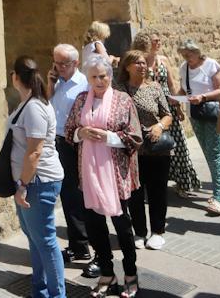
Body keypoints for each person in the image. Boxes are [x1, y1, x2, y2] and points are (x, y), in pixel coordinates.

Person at [66, 54, 142, 298]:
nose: (100, 81)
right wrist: (81, 132)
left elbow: (135, 137)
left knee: (122, 226)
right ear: (87, 78)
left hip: (116, 175)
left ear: (110, 75)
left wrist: (108, 137)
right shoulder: (80, 100)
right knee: (95, 226)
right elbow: (69, 133)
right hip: (88, 173)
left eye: (104, 76)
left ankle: (130, 273)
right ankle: (107, 273)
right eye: (94, 77)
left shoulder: (123, 100)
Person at [1, 56, 65, 298]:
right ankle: (40, 291)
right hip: (30, 182)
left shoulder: (36, 107)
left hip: (37, 182)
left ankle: (57, 295)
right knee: (36, 240)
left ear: (16, 77)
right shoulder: (28, 103)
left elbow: (35, 151)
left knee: (46, 241)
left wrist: (23, 185)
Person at [47, 43, 98, 278]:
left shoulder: (85, 84)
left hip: (78, 143)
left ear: (75, 64)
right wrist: (50, 83)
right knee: (67, 195)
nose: (59, 68)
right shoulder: (56, 83)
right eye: (56, 63)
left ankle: (97, 249)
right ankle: (78, 246)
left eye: (63, 64)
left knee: (85, 196)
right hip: (58, 142)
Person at [132, 31, 199, 199]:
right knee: (152, 145)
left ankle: (184, 183)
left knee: (179, 145)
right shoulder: (139, 61)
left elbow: (171, 84)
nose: (159, 42)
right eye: (155, 40)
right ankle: (151, 183)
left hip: (168, 106)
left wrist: (178, 107)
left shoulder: (164, 60)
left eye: (159, 39)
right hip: (148, 109)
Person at [117, 50, 172, 251]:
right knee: (135, 193)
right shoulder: (120, 90)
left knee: (158, 191)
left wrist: (159, 126)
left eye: (143, 63)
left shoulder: (155, 87)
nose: (142, 66)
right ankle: (139, 232)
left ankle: (157, 231)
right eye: (137, 63)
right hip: (133, 150)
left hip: (157, 148)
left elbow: (167, 115)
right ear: (127, 67)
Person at [175, 39, 220, 215]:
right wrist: (175, 98)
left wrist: (203, 97)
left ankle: (219, 197)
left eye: (189, 55)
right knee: (209, 153)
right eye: (184, 55)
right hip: (196, 116)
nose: (186, 58)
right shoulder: (184, 68)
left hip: (214, 114)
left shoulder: (211, 65)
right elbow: (184, 90)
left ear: (197, 52)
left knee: (215, 154)